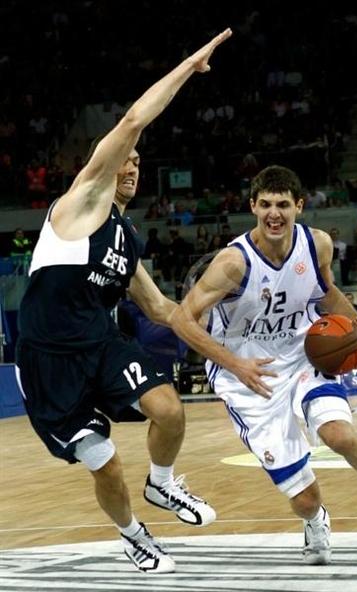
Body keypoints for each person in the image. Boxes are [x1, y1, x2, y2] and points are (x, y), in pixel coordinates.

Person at [14, 28, 233, 575]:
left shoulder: (126, 238)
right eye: (124, 160)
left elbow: (162, 310)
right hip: (49, 362)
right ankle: (134, 534)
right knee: (105, 464)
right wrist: (188, 66)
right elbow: (134, 120)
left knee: (170, 409)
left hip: (101, 346)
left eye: (138, 162)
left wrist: (232, 357)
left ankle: (162, 486)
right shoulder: (79, 203)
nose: (131, 165)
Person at [170, 165, 357, 566]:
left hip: (301, 351)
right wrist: (236, 365)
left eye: (283, 204)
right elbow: (181, 318)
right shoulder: (233, 263)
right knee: (304, 498)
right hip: (248, 375)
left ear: (299, 205)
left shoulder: (317, 245)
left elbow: (325, 291)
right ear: (253, 207)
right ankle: (316, 519)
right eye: (265, 205)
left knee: (339, 434)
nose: (274, 214)